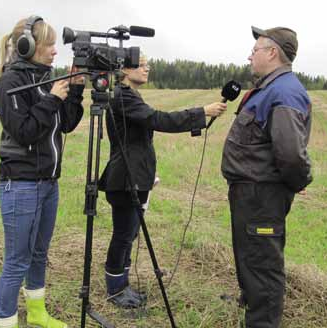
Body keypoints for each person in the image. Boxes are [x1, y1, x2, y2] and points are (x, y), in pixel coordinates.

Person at [98, 55, 228, 308]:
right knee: (123, 235)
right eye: (141, 64)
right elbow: (158, 120)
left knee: (130, 234)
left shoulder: (129, 94)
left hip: (135, 177)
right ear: (124, 69)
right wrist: (201, 112)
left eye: (148, 64)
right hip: (125, 179)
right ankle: (115, 290)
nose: (147, 68)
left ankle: (122, 285)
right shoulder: (121, 96)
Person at [0, 15, 85, 328]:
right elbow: (25, 131)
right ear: (27, 47)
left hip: (48, 184)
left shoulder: (47, 80)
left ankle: (38, 313)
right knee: (17, 260)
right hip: (21, 185)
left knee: (40, 253)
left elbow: (66, 124)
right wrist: (53, 98)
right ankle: (5, 320)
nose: (55, 51)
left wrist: (75, 91)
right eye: (49, 45)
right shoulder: (8, 85)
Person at [221, 26, 312, 327]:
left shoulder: (284, 91)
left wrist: (299, 181)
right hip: (251, 194)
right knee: (251, 258)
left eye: (255, 50)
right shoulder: (271, 88)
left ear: (272, 53)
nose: (250, 56)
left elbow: (290, 154)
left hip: (262, 196)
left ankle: (262, 319)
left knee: (263, 267)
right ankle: (252, 302)